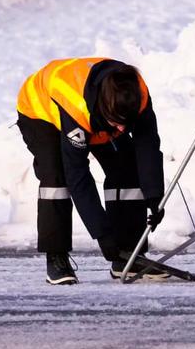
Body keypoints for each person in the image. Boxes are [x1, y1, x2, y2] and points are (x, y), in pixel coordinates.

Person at [15, 58, 168, 284]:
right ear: (104, 109)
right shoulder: (76, 107)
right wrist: (102, 233)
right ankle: (56, 258)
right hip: (40, 111)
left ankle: (127, 255)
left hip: (96, 110)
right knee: (56, 179)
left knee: (126, 168)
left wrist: (155, 196)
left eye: (126, 123)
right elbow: (78, 176)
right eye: (116, 123)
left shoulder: (137, 94)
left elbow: (148, 145)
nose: (123, 129)